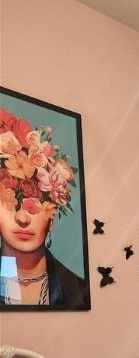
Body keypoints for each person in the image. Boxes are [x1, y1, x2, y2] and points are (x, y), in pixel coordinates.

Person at [0, 107, 86, 307]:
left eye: (36, 201)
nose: (22, 218)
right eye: (10, 202)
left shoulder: (78, 292)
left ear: (52, 212)